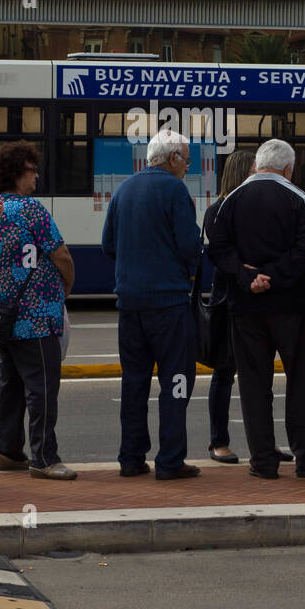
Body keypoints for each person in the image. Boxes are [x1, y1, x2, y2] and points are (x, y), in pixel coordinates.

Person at [208, 138, 305, 480]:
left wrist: (248, 277)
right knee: (302, 382)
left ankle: (263, 461)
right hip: (292, 306)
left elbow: (217, 248)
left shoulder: (230, 200)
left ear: (259, 163)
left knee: (254, 385)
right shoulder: (298, 197)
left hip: (245, 308)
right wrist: (275, 277)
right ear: (288, 167)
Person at [101, 129, 203, 480]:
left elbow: (108, 244)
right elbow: (190, 247)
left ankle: (131, 458)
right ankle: (170, 460)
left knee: (134, 382)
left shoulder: (124, 189)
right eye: (186, 160)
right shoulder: (175, 190)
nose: (187, 167)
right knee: (175, 380)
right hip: (169, 304)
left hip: (129, 303)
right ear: (172, 157)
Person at [0, 141, 78, 480]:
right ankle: (44, 457)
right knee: (41, 388)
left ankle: (7, 451)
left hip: (2, 314)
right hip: (36, 316)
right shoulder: (31, 209)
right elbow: (61, 255)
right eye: (31, 170)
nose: (37, 176)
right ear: (16, 173)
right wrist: (65, 287)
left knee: (9, 385)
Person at [202, 149, 257, 463]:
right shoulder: (219, 210)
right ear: (241, 173)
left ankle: (261, 442)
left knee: (254, 374)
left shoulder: (248, 206)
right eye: (253, 169)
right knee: (225, 373)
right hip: (229, 300)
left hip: (245, 298)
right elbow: (225, 254)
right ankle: (218, 441)